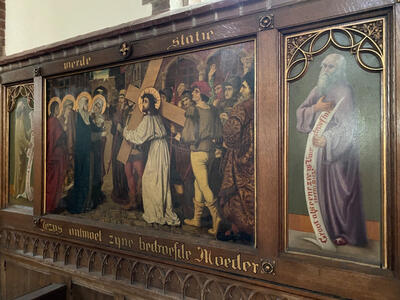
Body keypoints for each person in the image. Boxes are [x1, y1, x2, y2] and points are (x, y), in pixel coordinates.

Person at [296, 53, 367, 246]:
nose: (325, 70)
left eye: (330, 67)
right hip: (320, 152)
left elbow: (349, 127)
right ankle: (329, 231)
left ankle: (345, 233)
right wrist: (315, 109)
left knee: (340, 193)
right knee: (322, 192)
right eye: (324, 66)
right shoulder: (319, 89)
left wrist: (327, 139)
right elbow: (301, 111)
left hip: (340, 154)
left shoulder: (345, 91)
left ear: (340, 70)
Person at [123, 88, 180, 226]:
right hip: (161, 148)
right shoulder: (156, 117)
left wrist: (126, 131)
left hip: (157, 150)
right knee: (159, 180)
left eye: (146, 101)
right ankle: (161, 210)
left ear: (152, 103)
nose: (143, 104)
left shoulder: (149, 118)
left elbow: (138, 137)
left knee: (152, 180)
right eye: (142, 101)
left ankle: (156, 213)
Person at [179, 81, 222, 235]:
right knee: (199, 183)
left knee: (204, 185)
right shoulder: (212, 110)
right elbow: (218, 133)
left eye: (196, 91)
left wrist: (179, 136)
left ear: (202, 94)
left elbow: (187, 135)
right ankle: (196, 219)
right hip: (210, 152)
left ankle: (217, 218)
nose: (193, 94)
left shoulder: (193, 110)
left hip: (197, 152)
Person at [218, 71, 255, 243]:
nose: (241, 90)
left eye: (244, 86)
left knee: (236, 197)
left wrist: (229, 143)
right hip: (256, 160)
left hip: (240, 161)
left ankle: (240, 230)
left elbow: (231, 132)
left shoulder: (242, 107)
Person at [46, 100, 67, 212]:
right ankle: (52, 205)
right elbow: (59, 137)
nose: (60, 110)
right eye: (58, 108)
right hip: (56, 156)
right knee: (55, 181)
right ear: (55, 109)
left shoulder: (49, 121)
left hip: (52, 155)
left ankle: (51, 204)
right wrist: (65, 133)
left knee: (52, 181)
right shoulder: (54, 121)